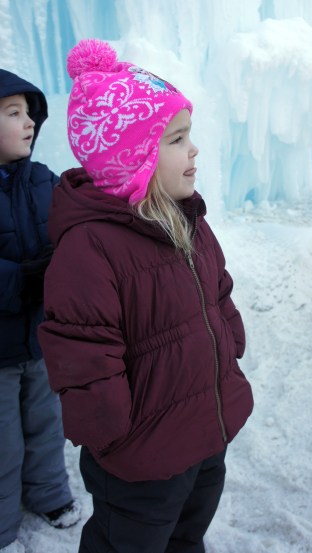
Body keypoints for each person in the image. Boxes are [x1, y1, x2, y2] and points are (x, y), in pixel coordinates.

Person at [37, 39, 254, 552]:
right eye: (176, 139)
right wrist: (113, 434)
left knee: (187, 534)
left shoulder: (188, 220)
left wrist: (231, 345)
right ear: (131, 157)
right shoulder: (91, 246)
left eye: (189, 135)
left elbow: (217, 292)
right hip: (142, 458)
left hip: (204, 432)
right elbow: (82, 350)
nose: (193, 149)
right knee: (129, 542)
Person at [0, 69, 80, 553]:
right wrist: (26, 278)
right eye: (13, 113)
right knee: (3, 440)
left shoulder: (43, 180)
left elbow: (70, 231)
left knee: (47, 422)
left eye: (30, 112)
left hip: (40, 337)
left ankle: (49, 495)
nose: (29, 122)